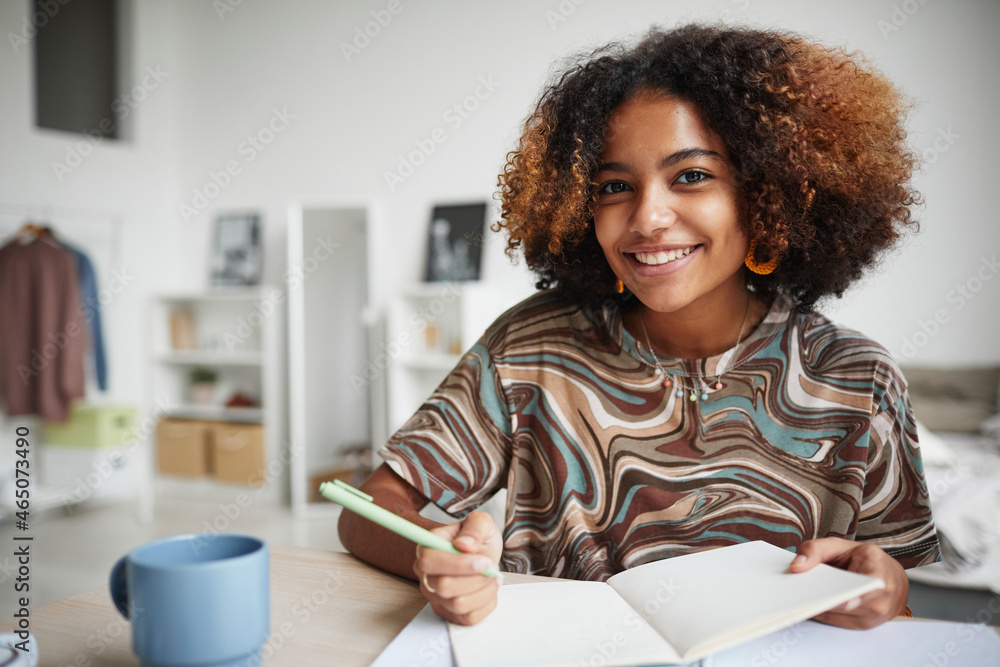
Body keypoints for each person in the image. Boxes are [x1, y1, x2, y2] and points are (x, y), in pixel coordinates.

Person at [338, 23, 940, 630]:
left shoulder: (858, 379)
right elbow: (366, 507)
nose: (648, 217)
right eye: (615, 186)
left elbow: (893, 589)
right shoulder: (532, 348)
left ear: (767, 195)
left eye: (692, 175)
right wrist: (435, 554)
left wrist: (884, 591)